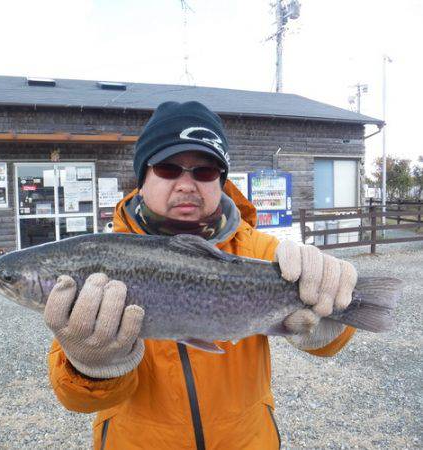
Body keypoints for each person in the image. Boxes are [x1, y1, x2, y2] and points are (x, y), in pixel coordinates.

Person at [45, 101, 357, 450]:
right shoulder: (99, 260)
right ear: (142, 179)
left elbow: (327, 345)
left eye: (205, 171)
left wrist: (330, 319)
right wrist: (90, 366)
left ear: (221, 182)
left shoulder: (266, 254)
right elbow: (79, 401)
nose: (186, 184)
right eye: (167, 168)